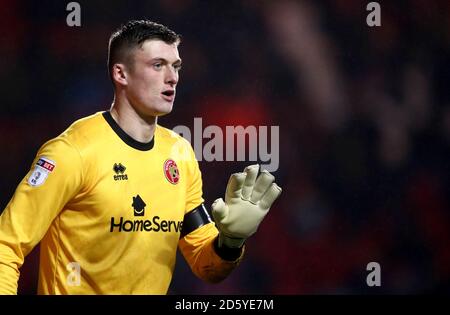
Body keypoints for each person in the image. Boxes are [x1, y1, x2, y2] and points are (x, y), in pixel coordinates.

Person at [0, 20, 282, 294]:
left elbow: (205, 265)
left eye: (176, 66)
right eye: (157, 65)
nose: (172, 77)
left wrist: (230, 241)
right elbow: (6, 246)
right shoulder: (72, 152)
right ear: (121, 74)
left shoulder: (180, 154)